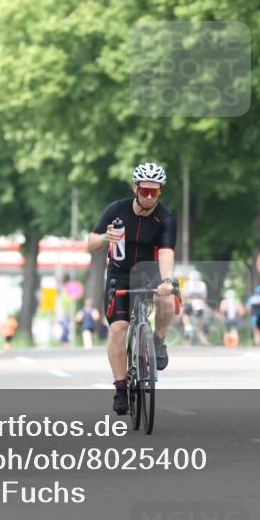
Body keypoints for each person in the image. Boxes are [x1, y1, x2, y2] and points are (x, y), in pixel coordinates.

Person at [87, 162, 177, 416]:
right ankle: (120, 387)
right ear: (135, 187)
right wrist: (106, 238)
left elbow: (168, 252)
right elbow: (91, 242)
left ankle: (158, 342)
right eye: (145, 191)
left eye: (155, 192)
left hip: (150, 274)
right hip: (120, 274)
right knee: (119, 329)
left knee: (168, 301)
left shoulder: (166, 217)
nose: (149, 197)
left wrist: (167, 281)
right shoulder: (117, 210)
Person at [182, 270, 210, 345]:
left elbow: (184, 297)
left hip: (189, 302)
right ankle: (201, 333)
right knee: (200, 318)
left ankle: (188, 326)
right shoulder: (202, 284)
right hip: (199, 304)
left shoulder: (187, 284)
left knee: (185, 314)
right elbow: (204, 298)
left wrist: (183, 305)